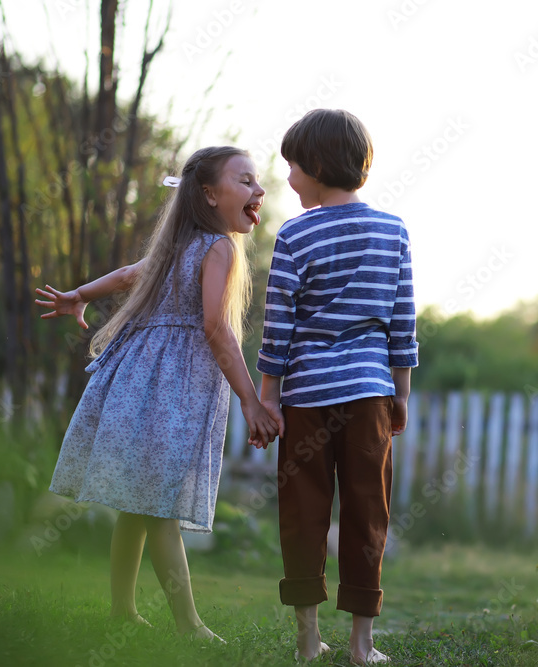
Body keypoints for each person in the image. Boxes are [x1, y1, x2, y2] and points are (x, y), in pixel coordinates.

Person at [35, 146, 280, 640]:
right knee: (160, 505)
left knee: (138, 503)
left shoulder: (176, 247)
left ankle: (123, 610)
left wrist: (79, 294)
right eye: (246, 181)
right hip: (176, 389)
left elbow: (128, 276)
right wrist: (250, 399)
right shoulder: (219, 248)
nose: (259, 190)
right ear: (210, 195)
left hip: (137, 377)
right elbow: (215, 326)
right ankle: (189, 626)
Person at [256, 110, 418, 664]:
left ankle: (307, 638)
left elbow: (280, 323)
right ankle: (361, 645)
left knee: (303, 510)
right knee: (367, 510)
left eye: (293, 167)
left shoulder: (295, 235)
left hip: (306, 397)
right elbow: (402, 322)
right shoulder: (393, 230)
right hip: (370, 395)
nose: (288, 178)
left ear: (318, 166)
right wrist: (401, 394)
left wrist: (268, 395)